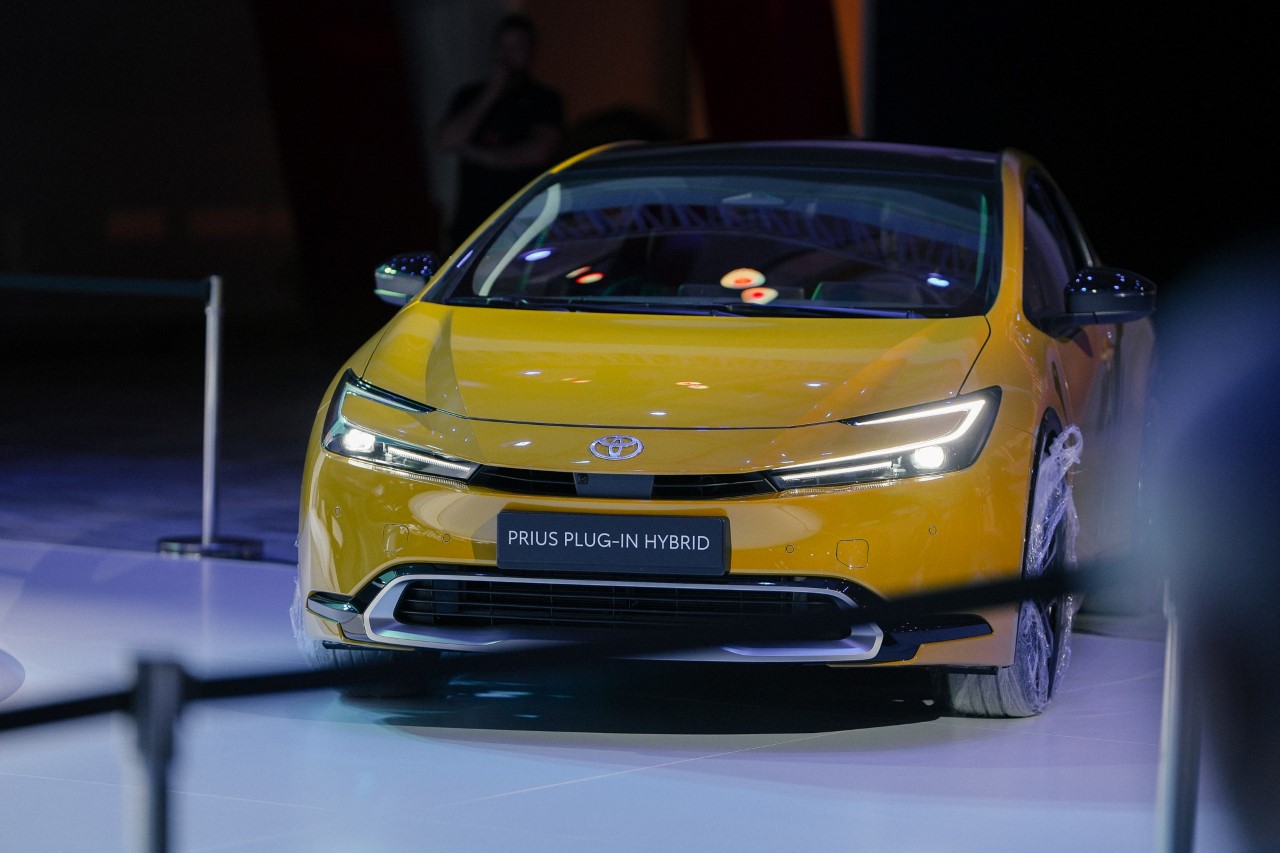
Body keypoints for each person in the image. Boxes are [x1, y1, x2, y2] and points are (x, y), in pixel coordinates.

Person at [436, 13, 565, 251]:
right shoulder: (469, 96)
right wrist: (492, 92)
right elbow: (447, 141)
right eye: (503, 47)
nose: (507, 56)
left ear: (530, 53)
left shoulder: (544, 100)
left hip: (525, 226)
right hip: (472, 229)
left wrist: (476, 154)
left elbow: (538, 152)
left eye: (516, 48)